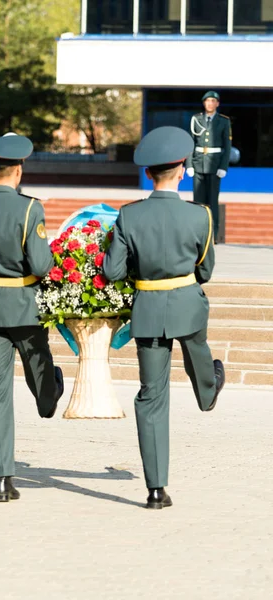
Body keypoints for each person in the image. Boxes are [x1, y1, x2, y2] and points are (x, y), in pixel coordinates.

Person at [103, 126, 225, 510]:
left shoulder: (129, 216)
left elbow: (113, 271)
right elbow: (205, 272)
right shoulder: (200, 216)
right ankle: (207, 392)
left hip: (148, 309)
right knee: (198, 348)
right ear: (184, 169)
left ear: (149, 173)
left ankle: (156, 489)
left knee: (151, 396)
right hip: (187, 302)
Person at [0, 133, 64, 503]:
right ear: (18, 171)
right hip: (24, 304)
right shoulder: (29, 208)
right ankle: (48, 400)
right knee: (41, 371)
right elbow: (39, 264)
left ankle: (2, 479)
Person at [186, 91, 232, 242]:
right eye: (207, 101)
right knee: (197, 201)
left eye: (213, 101)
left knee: (213, 201)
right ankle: (197, 234)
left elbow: (227, 145)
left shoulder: (224, 121)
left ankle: (214, 235)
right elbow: (190, 143)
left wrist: (223, 167)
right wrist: (189, 164)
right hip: (198, 163)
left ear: (217, 103)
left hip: (214, 165)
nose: (210, 104)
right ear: (204, 103)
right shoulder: (196, 119)